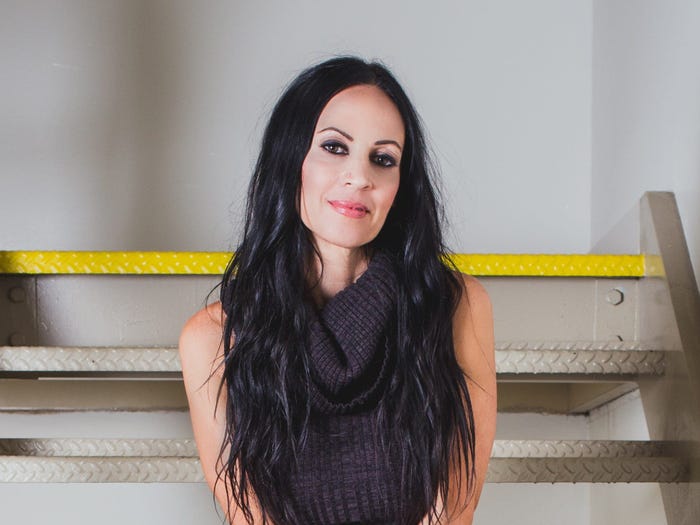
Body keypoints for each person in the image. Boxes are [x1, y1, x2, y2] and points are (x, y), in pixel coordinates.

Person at [179, 56, 496, 525]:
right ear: (291, 161)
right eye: (334, 147)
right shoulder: (212, 337)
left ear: (399, 187)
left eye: (383, 158)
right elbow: (249, 517)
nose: (360, 176)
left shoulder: (454, 305)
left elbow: (456, 506)